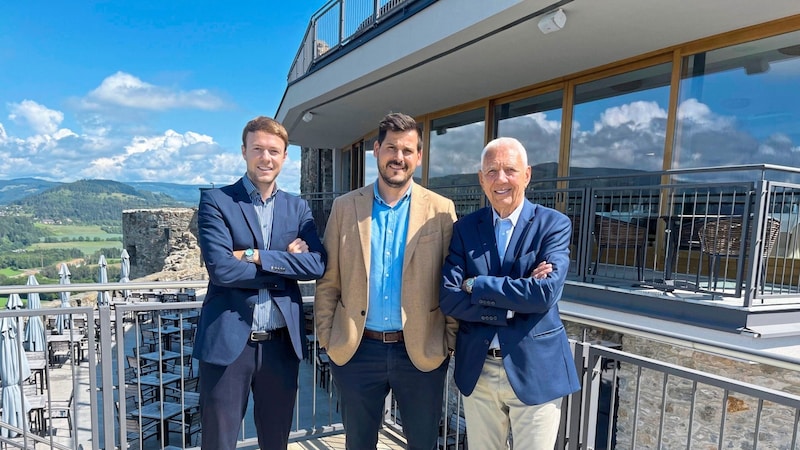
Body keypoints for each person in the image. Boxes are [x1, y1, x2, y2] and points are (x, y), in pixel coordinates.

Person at [315, 112, 458, 450]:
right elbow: (329, 281)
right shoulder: (345, 207)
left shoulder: (441, 210)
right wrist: (326, 337)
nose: (399, 157)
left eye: (408, 150)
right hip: (357, 350)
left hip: (421, 353)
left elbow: (452, 279)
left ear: (419, 157)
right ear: (376, 150)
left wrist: (448, 341)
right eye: (391, 148)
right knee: (358, 444)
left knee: (423, 443)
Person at [193, 116, 326, 450]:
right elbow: (222, 271)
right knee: (218, 443)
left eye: (274, 151)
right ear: (244, 152)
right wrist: (285, 265)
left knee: (275, 441)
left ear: (284, 157)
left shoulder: (298, 208)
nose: (266, 158)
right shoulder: (216, 201)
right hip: (227, 346)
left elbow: (317, 264)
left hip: (280, 348)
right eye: (258, 149)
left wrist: (256, 255)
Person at [440, 137, 580, 449]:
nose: (500, 179)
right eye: (491, 171)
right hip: (478, 370)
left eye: (510, 170)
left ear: (527, 175)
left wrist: (477, 285)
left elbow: (544, 294)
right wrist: (511, 305)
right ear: (481, 179)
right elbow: (449, 297)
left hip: (536, 371)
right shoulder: (465, 229)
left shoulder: (553, 225)